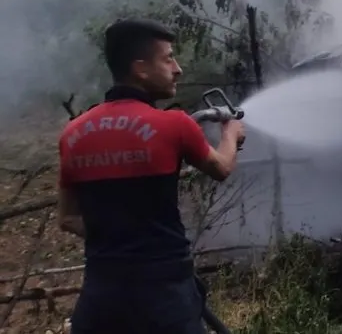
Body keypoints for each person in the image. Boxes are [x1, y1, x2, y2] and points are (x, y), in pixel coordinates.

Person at [56, 18, 245, 333]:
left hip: (100, 301)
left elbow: (67, 218)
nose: (178, 68)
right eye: (168, 58)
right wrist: (231, 133)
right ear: (140, 69)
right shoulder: (174, 124)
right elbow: (222, 167)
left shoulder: (72, 133)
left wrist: (118, 237)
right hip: (165, 298)